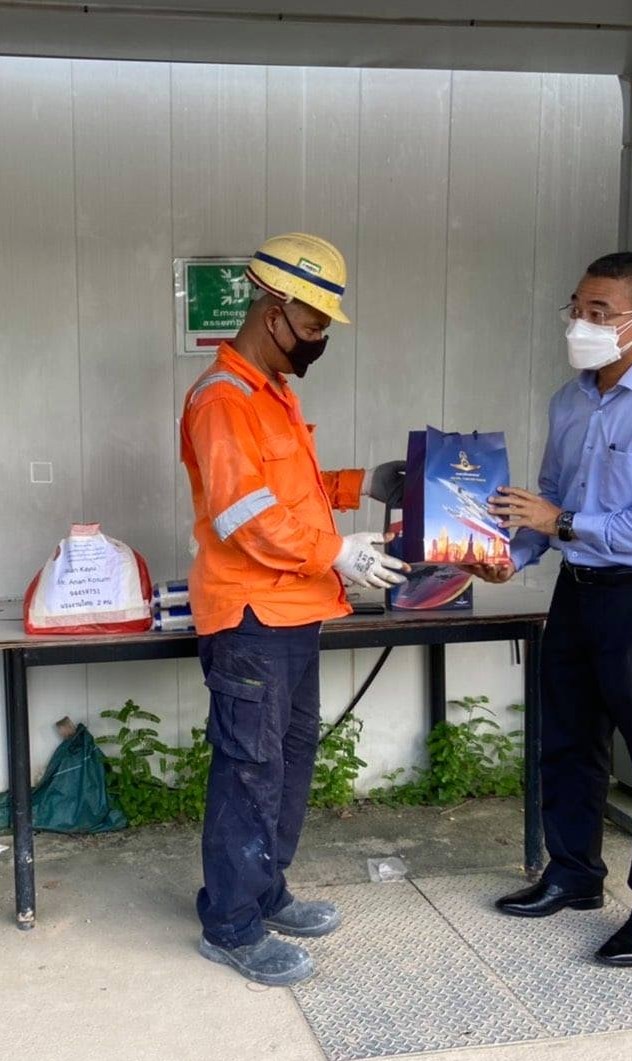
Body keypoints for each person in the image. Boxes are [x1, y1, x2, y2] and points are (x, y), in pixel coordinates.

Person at [466, 251, 632, 968]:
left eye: (600, 313)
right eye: (577, 308)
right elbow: (547, 501)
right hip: (578, 590)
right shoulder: (569, 400)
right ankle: (574, 873)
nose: (581, 324)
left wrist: (562, 523)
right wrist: (508, 556)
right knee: (569, 739)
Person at [180, 232, 408, 986]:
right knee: (250, 768)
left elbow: (291, 490)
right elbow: (245, 517)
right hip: (251, 618)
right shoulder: (223, 399)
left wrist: (359, 484)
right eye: (312, 324)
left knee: (288, 758)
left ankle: (265, 888)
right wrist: (339, 552)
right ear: (273, 310)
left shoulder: (271, 393)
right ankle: (231, 924)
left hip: (293, 613)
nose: (318, 339)